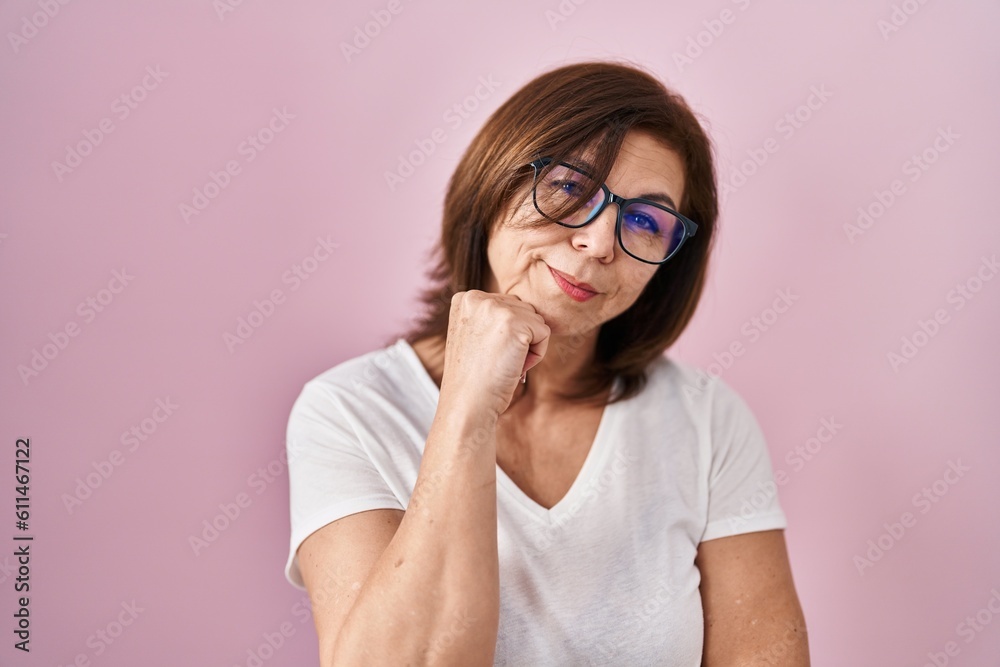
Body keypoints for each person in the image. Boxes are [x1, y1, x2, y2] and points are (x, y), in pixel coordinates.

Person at [283, 59, 810, 666]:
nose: (599, 242)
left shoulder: (707, 419)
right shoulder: (348, 412)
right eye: (568, 187)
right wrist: (467, 407)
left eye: (644, 220)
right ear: (493, 183)